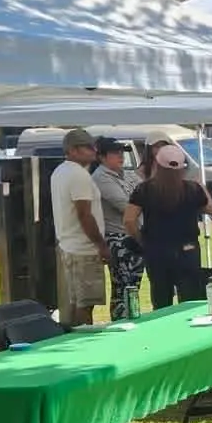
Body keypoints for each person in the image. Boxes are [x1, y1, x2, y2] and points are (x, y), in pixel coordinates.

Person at [125, 145, 210, 308]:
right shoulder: (192, 189)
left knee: (161, 299)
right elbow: (209, 208)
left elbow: (129, 220)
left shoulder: (145, 189)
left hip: (157, 250)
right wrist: (201, 184)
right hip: (188, 249)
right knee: (190, 299)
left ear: (157, 164)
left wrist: (141, 240)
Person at [49, 128, 109, 328]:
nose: (94, 150)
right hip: (83, 248)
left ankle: (75, 337)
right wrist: (101, 244)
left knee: (77, 302)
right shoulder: (78, 175)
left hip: (70, 245)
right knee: (86, 305)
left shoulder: (60, 171)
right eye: (88, 147)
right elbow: (84, 214)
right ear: (73, 150)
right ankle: (83, 343)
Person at [91, 137, 144, 321]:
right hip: (117, 238)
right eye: (115, 153)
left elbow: (145, 194)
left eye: (122, 152)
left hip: (135, 236)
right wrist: (142, 203)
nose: (120, 156)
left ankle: (132, 317)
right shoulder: (100, 177)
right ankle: (121, 321)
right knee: (122, 286)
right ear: (102, 157)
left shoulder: (128, 175)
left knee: (134, 285)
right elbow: (124, 204)